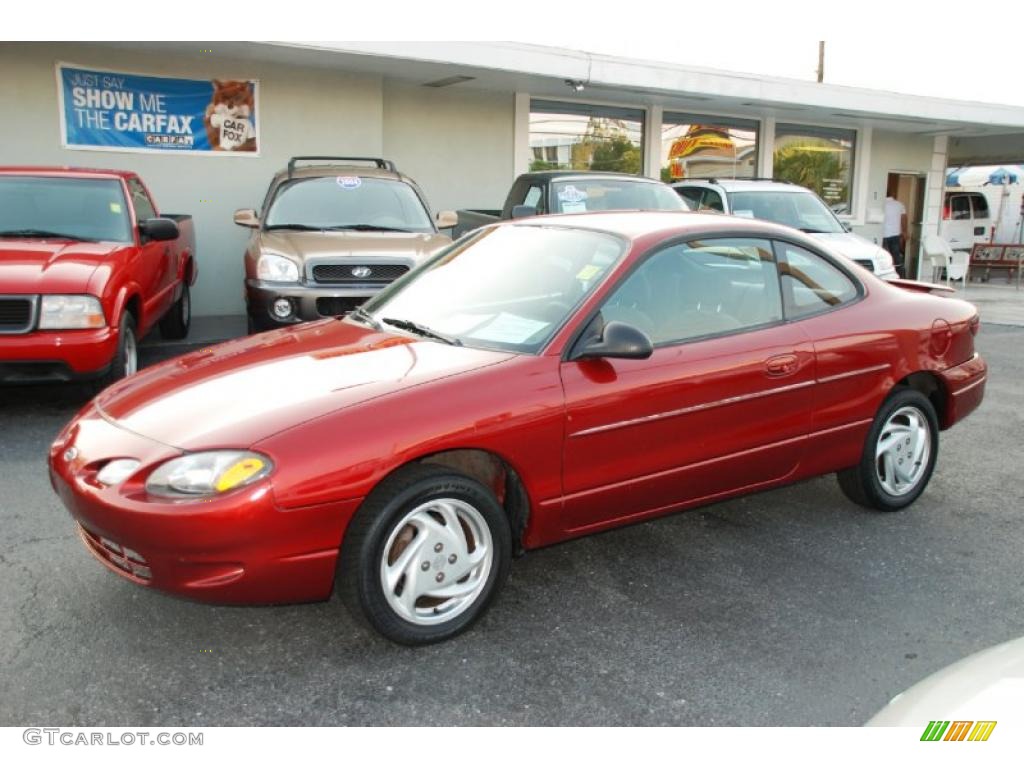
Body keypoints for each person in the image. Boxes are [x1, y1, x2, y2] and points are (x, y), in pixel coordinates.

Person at [883, 178, 908, 277]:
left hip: (883, 234)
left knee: (884, 257)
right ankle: (899, 277)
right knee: (896, 257)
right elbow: (904, 218)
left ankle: (886, 276)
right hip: (895, 235)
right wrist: (905, 232)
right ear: (891, 194)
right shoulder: (899, 204)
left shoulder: (882, 205)